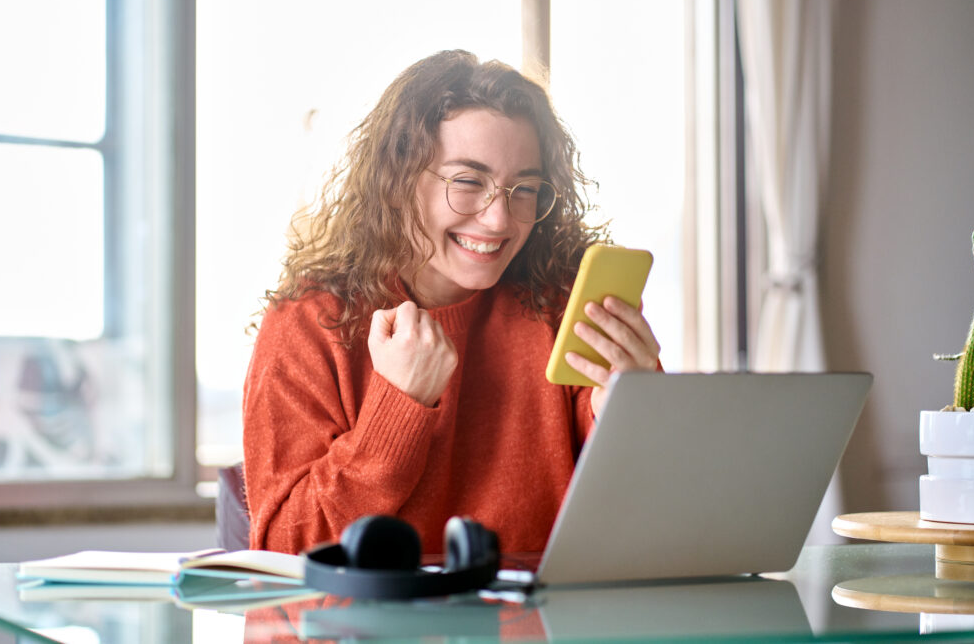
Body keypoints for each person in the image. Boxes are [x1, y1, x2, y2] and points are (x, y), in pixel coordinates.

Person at [243, 49, 661, 556]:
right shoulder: (309, 326)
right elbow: (283, 550)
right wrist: (397, 408)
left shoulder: (561, 310)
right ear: (396, 181)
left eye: (524, 188)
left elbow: (643, 533)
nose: (499, 221)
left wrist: (633, 414)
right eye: (467, 182)